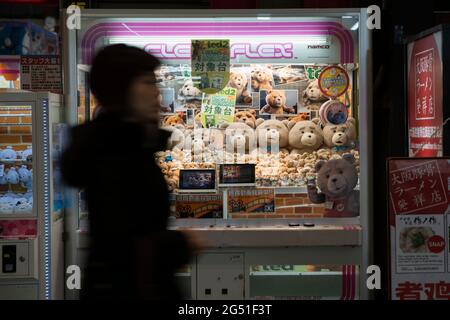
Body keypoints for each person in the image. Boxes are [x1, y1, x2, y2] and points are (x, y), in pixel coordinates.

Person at [61, 44, 196, 300]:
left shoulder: (128, 143)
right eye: (147, 82)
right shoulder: (116, 151)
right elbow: (125, 247)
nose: (157, 92)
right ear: (123, 89)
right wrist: (182, 244)